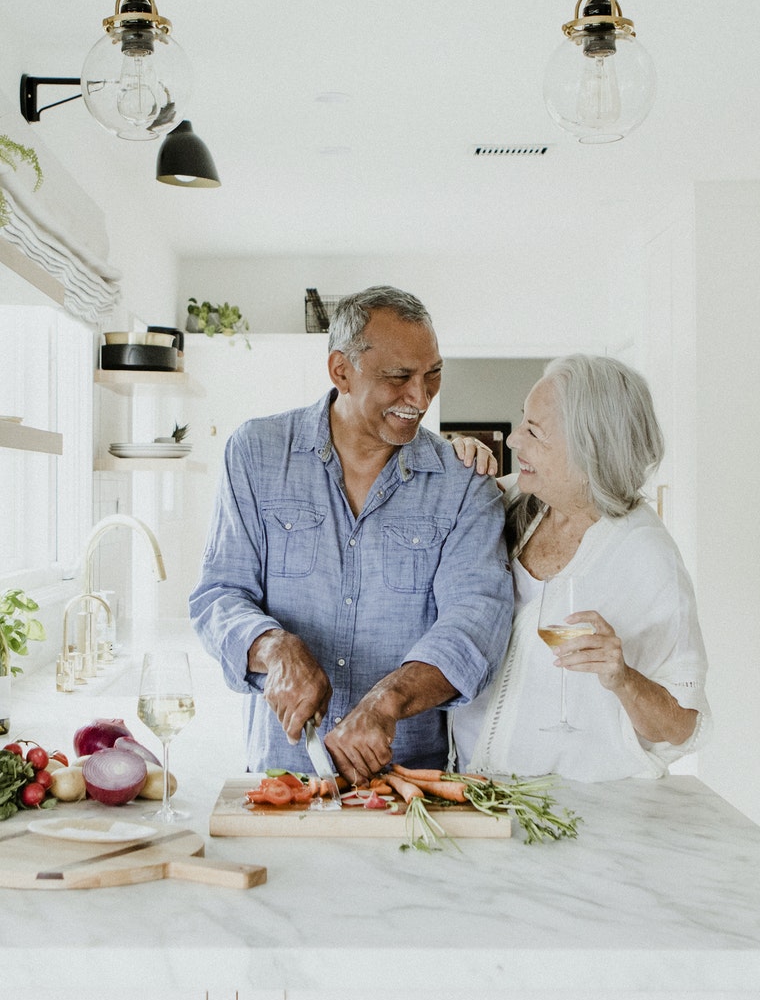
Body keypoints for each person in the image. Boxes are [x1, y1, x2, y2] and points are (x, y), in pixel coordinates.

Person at [189, 285, 513, 783]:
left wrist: (388, 702)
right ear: (341, 370)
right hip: (281, 776)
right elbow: (218, 595)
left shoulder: (464, 484)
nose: (421, 398)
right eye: (399, 377)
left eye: (433, 375)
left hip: (407, 782)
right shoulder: (256, 453)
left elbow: (474, 623)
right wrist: (273, 647)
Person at [451, 354, 711, 782]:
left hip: (582, 811)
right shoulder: (517, 500)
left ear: (591, 452)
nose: (514, 441)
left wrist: (622, 677)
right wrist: (458, 460)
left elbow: (681, 728)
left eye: (535, 432)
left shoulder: (646, 555)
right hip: (479, 789)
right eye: (523, 422)